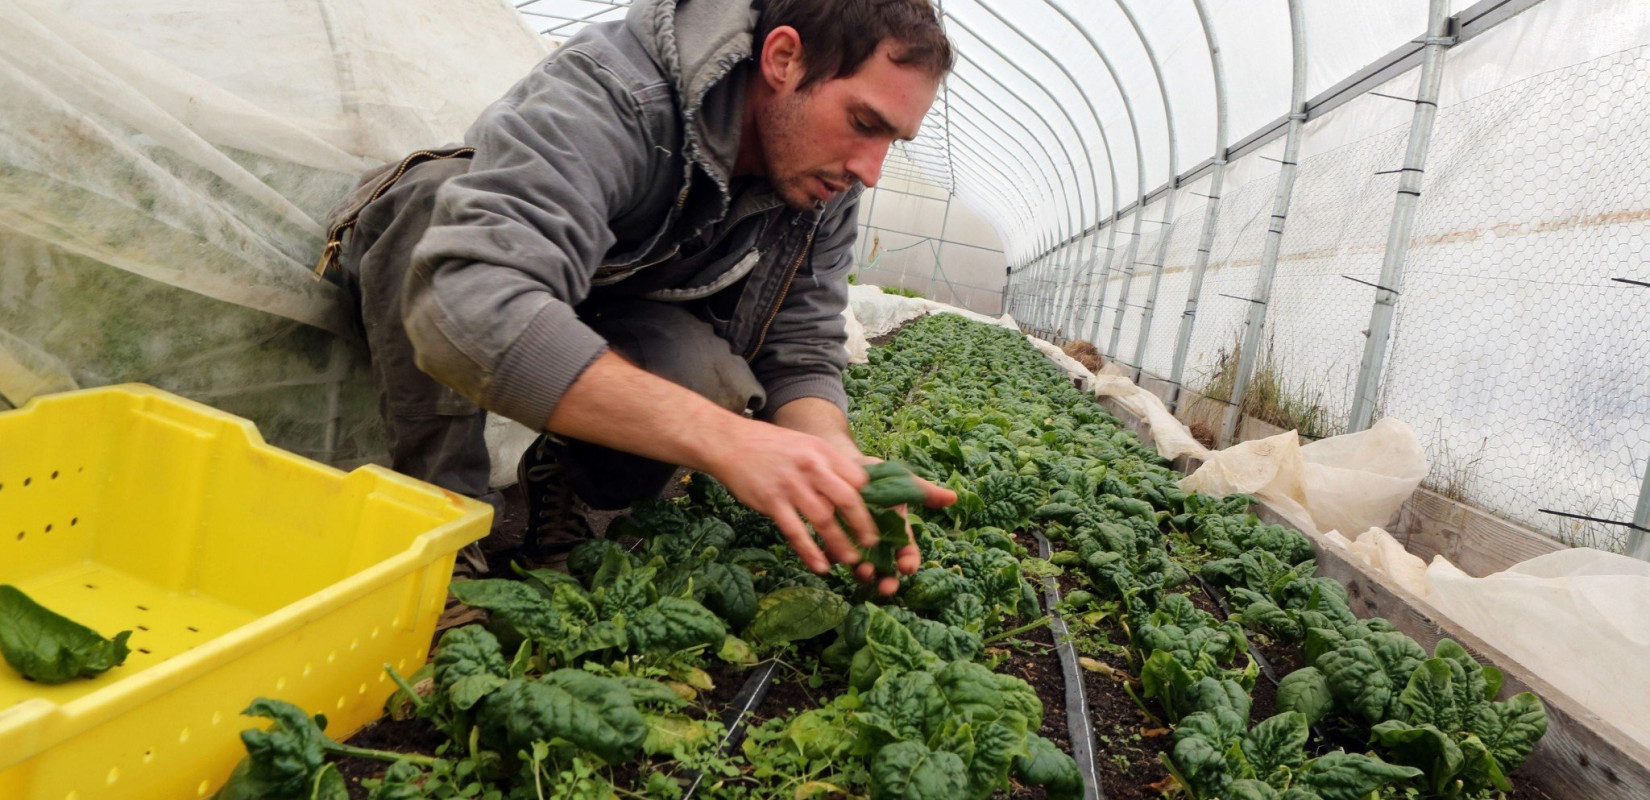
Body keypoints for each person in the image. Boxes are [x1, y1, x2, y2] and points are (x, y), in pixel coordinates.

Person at [318, 0, 957, 593]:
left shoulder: (824, 183)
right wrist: (725, 441)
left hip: (607, 294)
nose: (870, 169)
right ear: (784, 58)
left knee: (703, 376)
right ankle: (441, 530)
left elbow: (801, 341)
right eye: (863, 123)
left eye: (891, 141)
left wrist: (837, 459)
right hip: (445, 260)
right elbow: (470, 300)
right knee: (434, 213)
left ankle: (562, 478)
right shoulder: (619, 90)